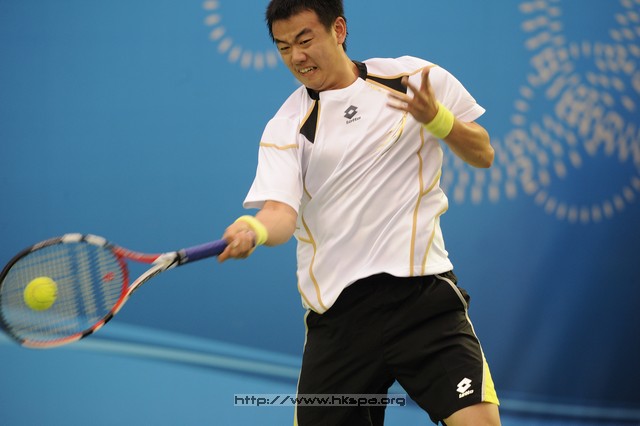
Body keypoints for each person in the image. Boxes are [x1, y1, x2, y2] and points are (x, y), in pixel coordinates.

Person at [218, 1, 501, 424]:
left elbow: (483, 153)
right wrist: (253, 230)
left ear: (338, 29)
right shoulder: (286, 127)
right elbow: (279, 212)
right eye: (283, 47)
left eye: (305, 40)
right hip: (340, 319)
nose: (297, 57)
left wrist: (438, 119)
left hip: (423, 299)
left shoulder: (412, 79)